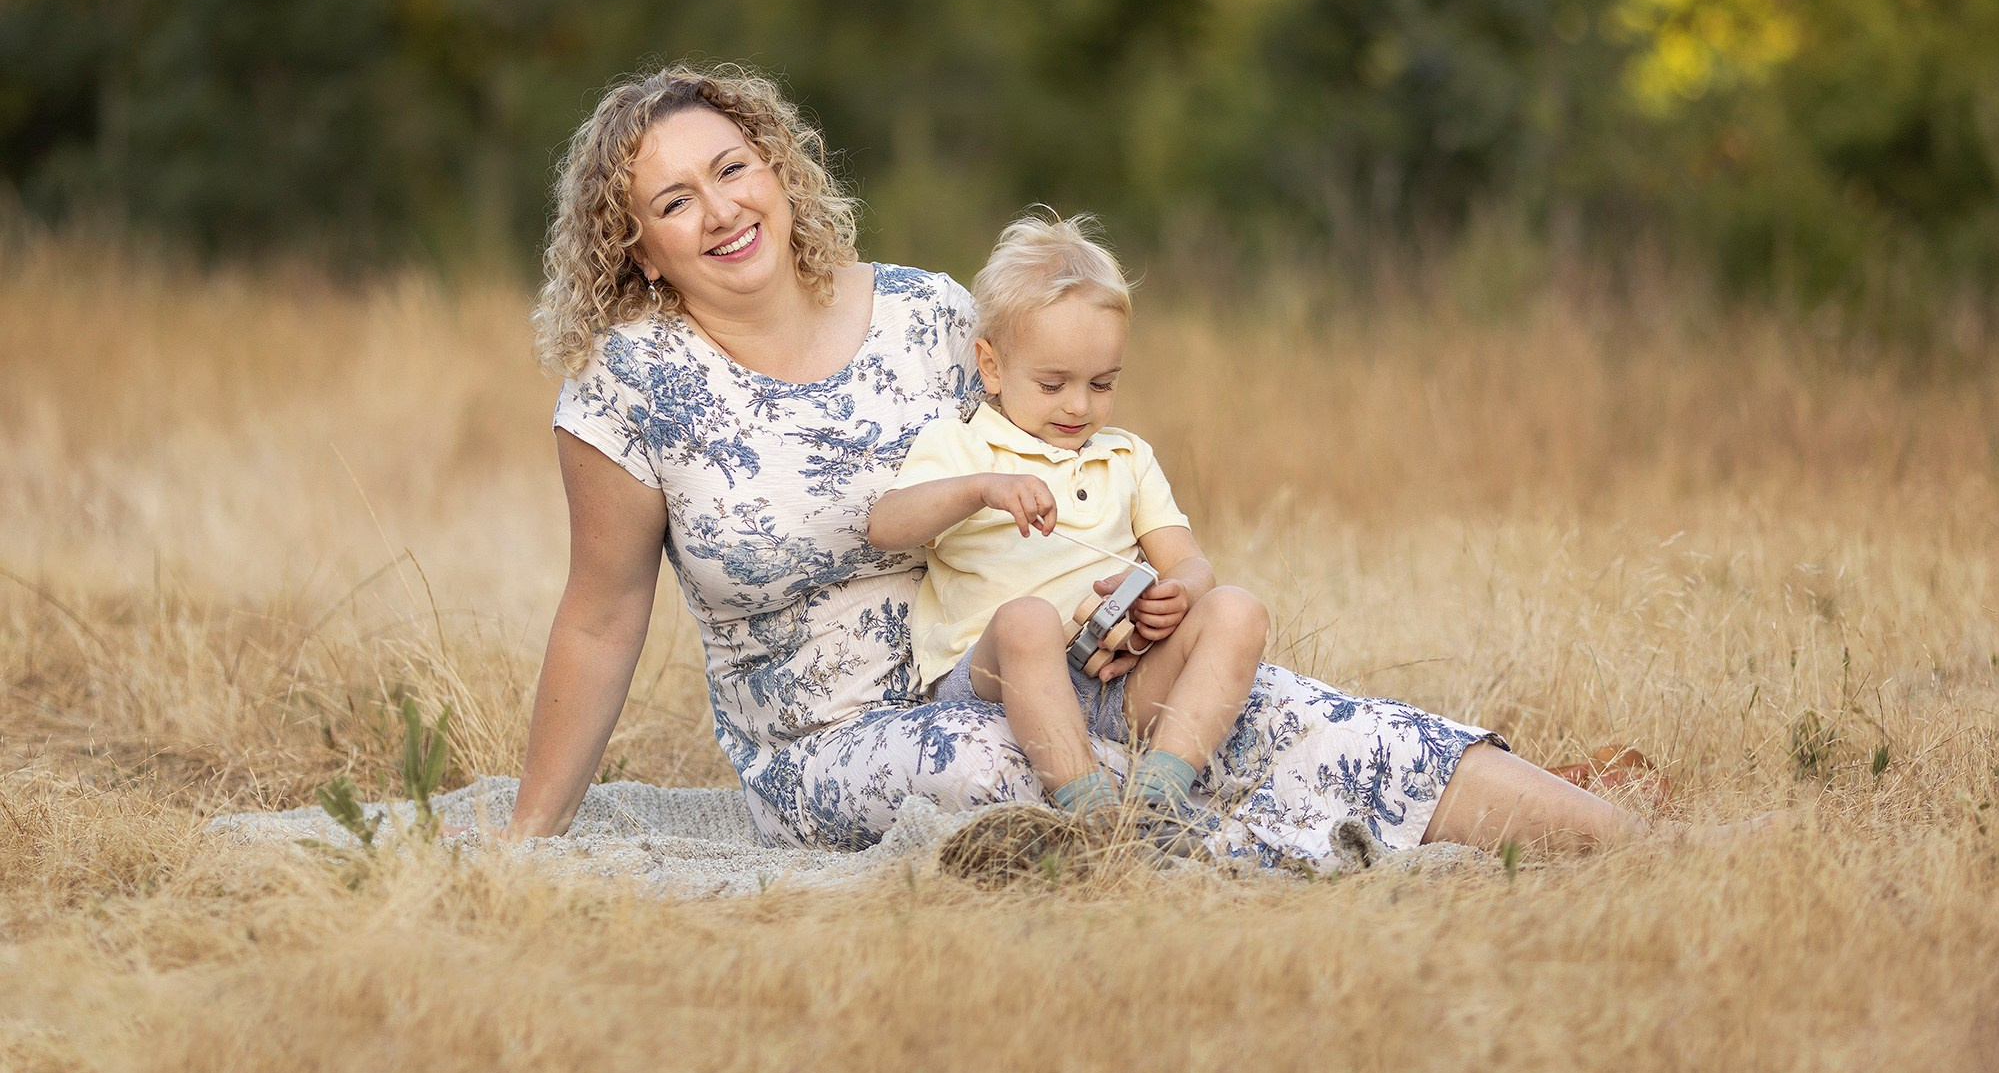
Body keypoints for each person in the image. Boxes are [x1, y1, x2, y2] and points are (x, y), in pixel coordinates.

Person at [503, 61, 1673, 862]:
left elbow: (1052, 482)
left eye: (730, 169)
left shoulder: (927, 313)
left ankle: (1633, 846)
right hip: (833, 748)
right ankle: (1283, 861)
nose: (718, 210)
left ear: (774, 166)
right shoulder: (628, 386)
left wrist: (1124, 611)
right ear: (640, 248)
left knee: (1254, 705)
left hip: (1041, 656)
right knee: (1009, 764)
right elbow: (602, 619)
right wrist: (526, 843)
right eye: (672, 199)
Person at [867, 211, 1268, 850]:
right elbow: (885, 525)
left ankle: (1159, 795)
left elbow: (1190, 563)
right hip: (997, 679)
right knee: (1027, 620)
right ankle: (1091, 815)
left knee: (1239, 611)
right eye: (1052, 384)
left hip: (1113, 678)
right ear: (991, 368)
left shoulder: (1126, 457)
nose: (1079, 406)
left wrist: (1178, 595)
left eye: (1102, 384)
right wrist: (982, 490)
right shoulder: (965, 446)